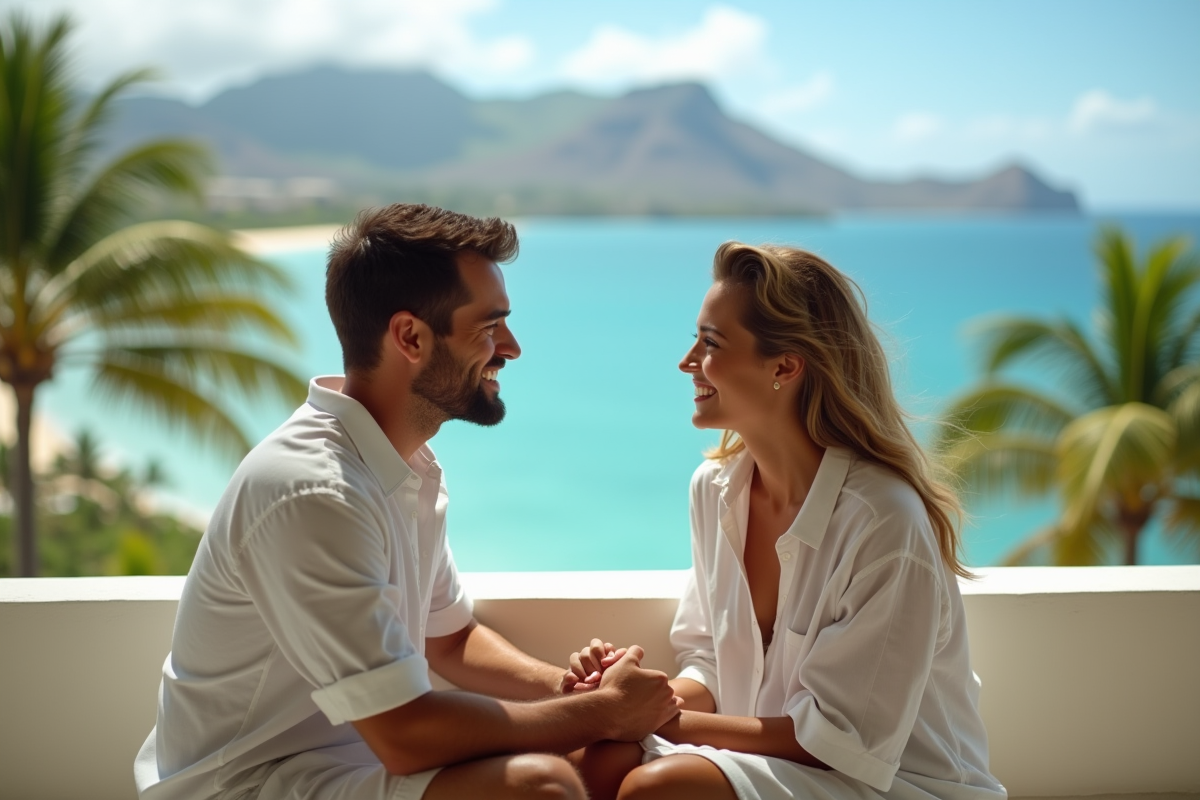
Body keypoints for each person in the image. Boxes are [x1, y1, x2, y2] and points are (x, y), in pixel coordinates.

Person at [134, 203, 679, 800]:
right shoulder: (316, 492)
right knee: (542, 785)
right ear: (410, 337)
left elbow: (446, 638)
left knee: (602, 755)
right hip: (245, 785)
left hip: (342, 765)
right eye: (490, 326)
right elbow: (406, 734)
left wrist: (577, 695)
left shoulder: (401, 466)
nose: (512, 348)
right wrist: (604, 712)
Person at [569, 243, 1006, 800]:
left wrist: (657, 720)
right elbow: (708, 661)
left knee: (661, 788)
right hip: (782, 763)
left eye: (710, 343)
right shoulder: (716, 490)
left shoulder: (882, 522)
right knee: (597, 758)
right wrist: (623, 702)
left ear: (784, 366)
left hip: (893, 783)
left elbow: (843, 739)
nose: (687, 361)